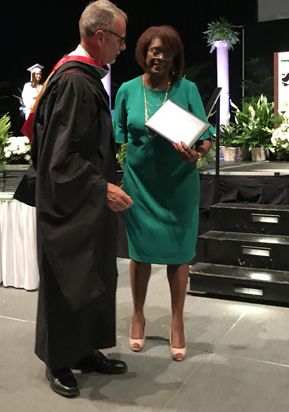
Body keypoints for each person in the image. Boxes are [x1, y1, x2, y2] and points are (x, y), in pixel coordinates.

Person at [14, 0, 133, 399]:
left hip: (85, 205)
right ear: (100, 37)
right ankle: (58, 360)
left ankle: (85, 350)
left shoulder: (84, 78)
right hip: (68, 205)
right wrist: (101, 186)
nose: (122, 46)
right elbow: (58, 158)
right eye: (119, 38)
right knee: (68, 281)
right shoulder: (73, 82)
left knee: (93, 277)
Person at [112, 25, 212, 362]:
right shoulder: (126, 90)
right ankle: (137, 315)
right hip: (140, 184)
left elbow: (206, 138)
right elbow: (118, 138)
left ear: (175, 58)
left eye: (167, 52)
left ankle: (177, 321)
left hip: (179, 185)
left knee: (179, 254)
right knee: (140, 253)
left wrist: (197, 153)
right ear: (143, 53)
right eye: (154, 51)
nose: (159, 57)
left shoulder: (187, 89)